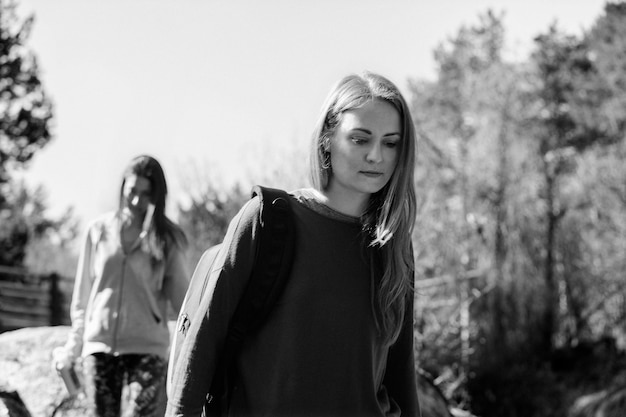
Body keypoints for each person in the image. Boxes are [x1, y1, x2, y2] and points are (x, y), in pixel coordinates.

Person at [166, 72, 420, 417]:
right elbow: (203, 341)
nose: (377, 155)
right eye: (360, 139)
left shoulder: (393, 245)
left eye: (391, 143)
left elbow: (400, 374)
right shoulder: (266, 221)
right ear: (327, 138)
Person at [55, 155, 190, 417]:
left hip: (147, 350)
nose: (137, 201)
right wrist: (73, 347)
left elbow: (184, 301)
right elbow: (83, 299)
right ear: (122, 189)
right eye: (132, 192)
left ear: (157, 196)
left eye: (146, 194)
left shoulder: (168, 240)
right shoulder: (98, 232)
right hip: (100, 349)